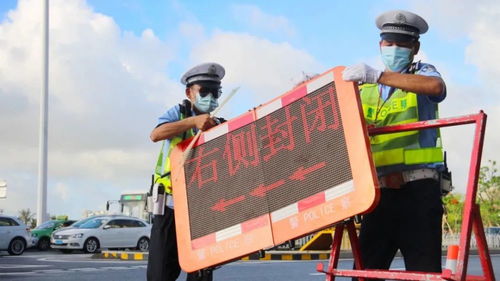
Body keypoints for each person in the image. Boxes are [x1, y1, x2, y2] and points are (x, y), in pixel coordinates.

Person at [342, 10, 447, 278]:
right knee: (365, 273)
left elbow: (437, 88)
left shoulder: (421, 74)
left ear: (415, 47)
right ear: (380, 45)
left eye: (402, 44)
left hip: (418, 191)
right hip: (378, 196)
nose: (395, 49)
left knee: (424, 274)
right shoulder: (364, 88)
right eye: (389, 44)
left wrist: (378, 75)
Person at [147, 62, 226, 281]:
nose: (210, 97)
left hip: (200, 207)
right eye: (204, 91)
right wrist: (193, 121)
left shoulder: (219, 123)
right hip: (169, 204)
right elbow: (155, 134)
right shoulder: (179, 112)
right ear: (189, 92)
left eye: (215, 92)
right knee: (160, 273)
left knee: (201, 272)